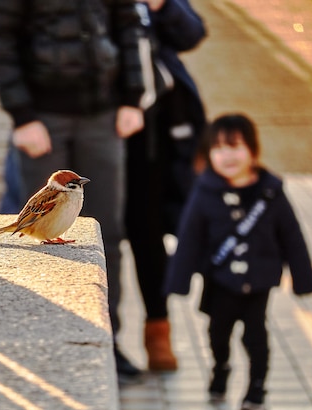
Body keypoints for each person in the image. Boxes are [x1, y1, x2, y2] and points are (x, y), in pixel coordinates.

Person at [0, 0, 147, 381]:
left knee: (108, 233)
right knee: (37, 235)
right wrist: (21, 115)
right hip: (43, 117)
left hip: (103, 112)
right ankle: (40, 337)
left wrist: (132, 97)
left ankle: (108, 339)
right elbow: (0, 40)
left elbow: (128, 26)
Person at [163, 113, 312, 410]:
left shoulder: (270, 192)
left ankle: (256, 388)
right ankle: (221, 368)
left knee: (256, 336)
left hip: (260, 281)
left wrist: (303, 279)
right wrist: (177, 281)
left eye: (235, 146)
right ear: (209, 155)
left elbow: (292, 236)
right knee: (217, 334)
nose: (227, 155)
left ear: (252, 150)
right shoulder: (204, 191)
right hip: (219, 282)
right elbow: (190, 238)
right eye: (218, 149)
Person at [123, 0, 207, 372]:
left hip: (154, 135)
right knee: (99, 231)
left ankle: (157, 329)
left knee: (148, 231)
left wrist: (160, 4)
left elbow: (191, 33)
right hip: (91, 120)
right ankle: (103, 331)